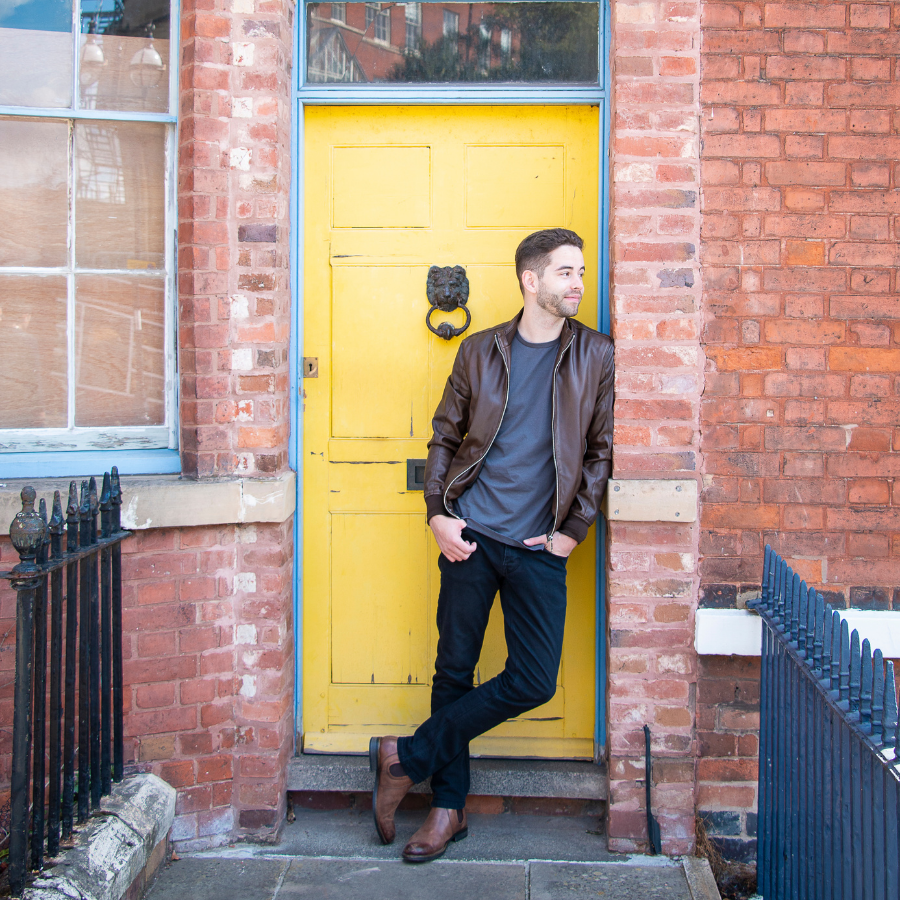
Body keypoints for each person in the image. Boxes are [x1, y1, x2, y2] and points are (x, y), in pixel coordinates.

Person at [369, 227, 615, 863]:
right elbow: (444, 437)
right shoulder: (479, 351)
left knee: (533, 680)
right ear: (530, 281)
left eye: (581, 272)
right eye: (565, 273)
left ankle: (406, 759)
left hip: (540, 547)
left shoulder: (595, 355)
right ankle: (447, 810)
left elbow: (598, 452)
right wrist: (437, 516)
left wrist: (571, 533)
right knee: (454, 670)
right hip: (471, 538)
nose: (578, 283)